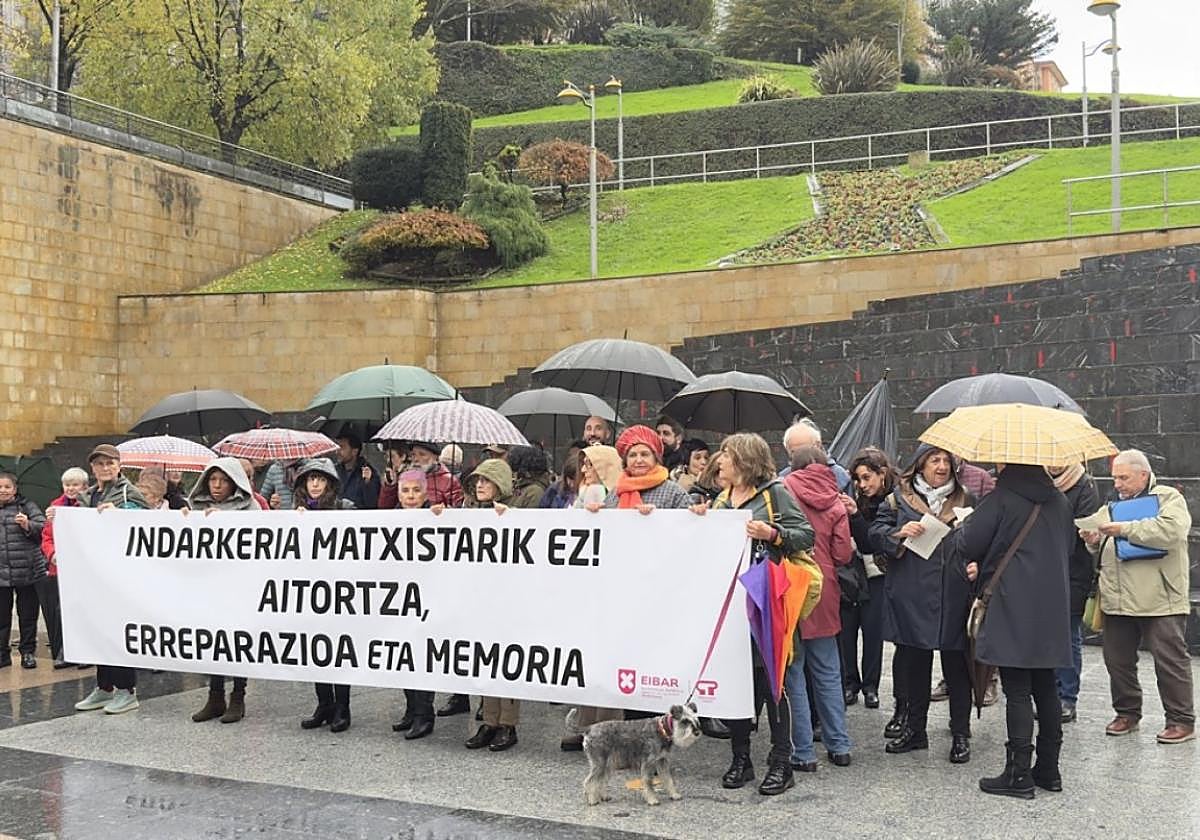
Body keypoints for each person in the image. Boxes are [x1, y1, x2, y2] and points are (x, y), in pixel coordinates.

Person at [956, 462, 1074, 799]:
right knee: (1046, 684)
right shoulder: (1059, 500)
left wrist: (967, 522)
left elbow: (969, 543)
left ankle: (1018, 774)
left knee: (1017, 686)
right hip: (1051, 604)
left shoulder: (1002, 497)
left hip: (1012, 601)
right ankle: (1049, 769)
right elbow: (1067, 548)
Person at [711, 435, 814, 796]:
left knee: (775, 682)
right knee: (738, 680)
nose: (719, 460)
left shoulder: (775, 493)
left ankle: (781, 761)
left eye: (726, 454)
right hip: (732, 604)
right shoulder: (722, 500)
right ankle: (741, 758)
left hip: (768, 599)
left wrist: (773, 533)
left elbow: (806, 535)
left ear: (745, 460)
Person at [1080, 449, 1195, 745]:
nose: (1117, 483)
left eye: (1123, 477)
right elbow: (1103, 541)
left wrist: (1124, 529)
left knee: (1169, 658)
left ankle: (1181, 720)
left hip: (1160, 596)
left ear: (1143, 474)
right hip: (1117, 597)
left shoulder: (1168, 497)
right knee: (1117, 659)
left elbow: (1172, 530)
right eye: (1115, 477)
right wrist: (1093, 540)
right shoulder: (1112, 505)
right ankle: (1127, 713)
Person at [870, 445, 975, 764]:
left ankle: (960, 734)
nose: (942, 466)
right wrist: (899, 533)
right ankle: (916, 730)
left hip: (953, 592)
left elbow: (985, 537)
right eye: (935, 460)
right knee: (915, 665)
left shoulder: (967, 498)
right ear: (920, 465)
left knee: (957, 668)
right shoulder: (897, 497)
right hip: (912, 592)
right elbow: (875, 534)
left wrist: (975, 557)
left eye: (947, 461)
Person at [782, 446, 854, 771]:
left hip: (792, 586)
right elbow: (843, 556)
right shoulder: (836, 497)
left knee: (795, 675)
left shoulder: (783, 491)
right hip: (824, 589)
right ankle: (839, 747)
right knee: (828, 672)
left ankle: (804, 754)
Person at [73, 444, 149, 715]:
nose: (105, 468)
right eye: (100, 464)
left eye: (110, 463)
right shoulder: (86, 496)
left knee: (117, 632)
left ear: (119, 466)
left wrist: (122, 513)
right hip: (95, 575)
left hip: (121, 576)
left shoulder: (128, 492)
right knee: (99, 631)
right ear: (92, 468)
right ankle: (104, 687)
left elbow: (147, 523)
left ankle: (127, 690)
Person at [187, 458, 259, 725]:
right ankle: (214, 695)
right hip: (208, 585)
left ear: (235, 482)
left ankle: (238, 695)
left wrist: (225, 522)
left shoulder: (250, 509)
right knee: (212, 640)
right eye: (212, 480)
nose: (217, 486)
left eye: (223, 480)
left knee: (238, 642)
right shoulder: (196, 507)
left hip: (239, 586)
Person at [462, 458, 522, 752]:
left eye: (486, 480)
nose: (480, 485)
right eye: (477, 481)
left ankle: (508, 725)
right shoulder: (470, 512)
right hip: (478, 598)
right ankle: (489, 721)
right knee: (483, 660)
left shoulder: (517, 512)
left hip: (508, 600)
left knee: (505, 660)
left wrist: (508, 518)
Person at [294, 457, 357, 733]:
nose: (315, 483)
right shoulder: (295, 512)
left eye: (320, 478)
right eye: (310, 478)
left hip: (339, 590)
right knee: (316, 650)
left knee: (339, 650)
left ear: (330, 483)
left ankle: (342, 707)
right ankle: (324, 704)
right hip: (310, 591)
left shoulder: (345, 509)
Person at [841, 449, 897, 724]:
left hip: (878, 575)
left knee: (873, 631)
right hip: (853, 575)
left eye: (867, 478)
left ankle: (871, 686)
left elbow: (870, 542)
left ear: (882, 474)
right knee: (848, 630)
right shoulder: (855, 501)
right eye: (858, 479)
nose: (862, 485)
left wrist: (856, 518)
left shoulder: (894, 501)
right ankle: (850, 682)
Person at [1047, 463, 1100, 723]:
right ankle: (1048, 694)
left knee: (1068, 633)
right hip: (1043, 570)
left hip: (1073, 570)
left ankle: (1067, 697)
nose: (1053, 462)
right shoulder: (1039, 482)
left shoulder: (1084, 485)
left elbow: (1084, 526)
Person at [390, 470, 438, 741]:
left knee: (422, 659)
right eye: (405, 491)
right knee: (403, 657)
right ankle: (411, 708)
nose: (410, 496)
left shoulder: (436, 517)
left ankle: (424, 714)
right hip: (399, 599)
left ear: (425, 493)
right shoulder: (390, 518)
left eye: (415, 491)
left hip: (427, 600)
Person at [39, 467, 89, 669]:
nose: (70, 488)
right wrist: (52, 554)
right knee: (62, 611)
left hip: (84, 569)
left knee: (83, 609)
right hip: (60, 568)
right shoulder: (55, 507)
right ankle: (65, 651)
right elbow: (47, 536)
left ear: (84, 486)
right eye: (67, 484)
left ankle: (86, 652)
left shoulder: (88, 506)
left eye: (75, 484)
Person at [0, 472, 48, 670]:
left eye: (7, 487)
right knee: (1, 617)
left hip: (27, 570)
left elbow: (43, 528)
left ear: (15, 489)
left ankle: (28, 652)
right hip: (1, 573)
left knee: (27, 615)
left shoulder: (27, 506)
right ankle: (2, 654)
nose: (2, 490)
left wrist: (28, 524)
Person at [598, 425, 693, 512]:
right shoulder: (614, 494)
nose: (639, 460)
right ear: (625, 461)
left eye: (645, 454)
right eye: (632, 455)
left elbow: (690, 524)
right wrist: (595, 513)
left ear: (656, 458)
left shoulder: (673, 492)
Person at [381, 442, 462, 509]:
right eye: (413, 455)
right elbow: (385, 509)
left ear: (435, 457)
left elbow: (457, 513)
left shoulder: (449, 481)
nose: (416, 459)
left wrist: (444, 510)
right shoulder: (405, 478)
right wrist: (390, 486)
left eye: (422, 454)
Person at [782, 420, 852, 491]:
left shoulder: (839, 475)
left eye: (804, 451)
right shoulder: (784, 478)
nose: (800, 456)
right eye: (794, 452)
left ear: (818, 445)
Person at [334, 433, 380, 510]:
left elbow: (372, 504)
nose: (337, 452)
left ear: (354, 451)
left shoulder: (368, 472)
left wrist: (368, 484)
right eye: (337, 447)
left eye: (342, 447)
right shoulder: (335, 470)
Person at [574, 445, 621, 509]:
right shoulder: (582, 495)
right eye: (584, 464)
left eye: (590, 464)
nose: (583, 470)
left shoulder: (623, 498)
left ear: (606, 467)